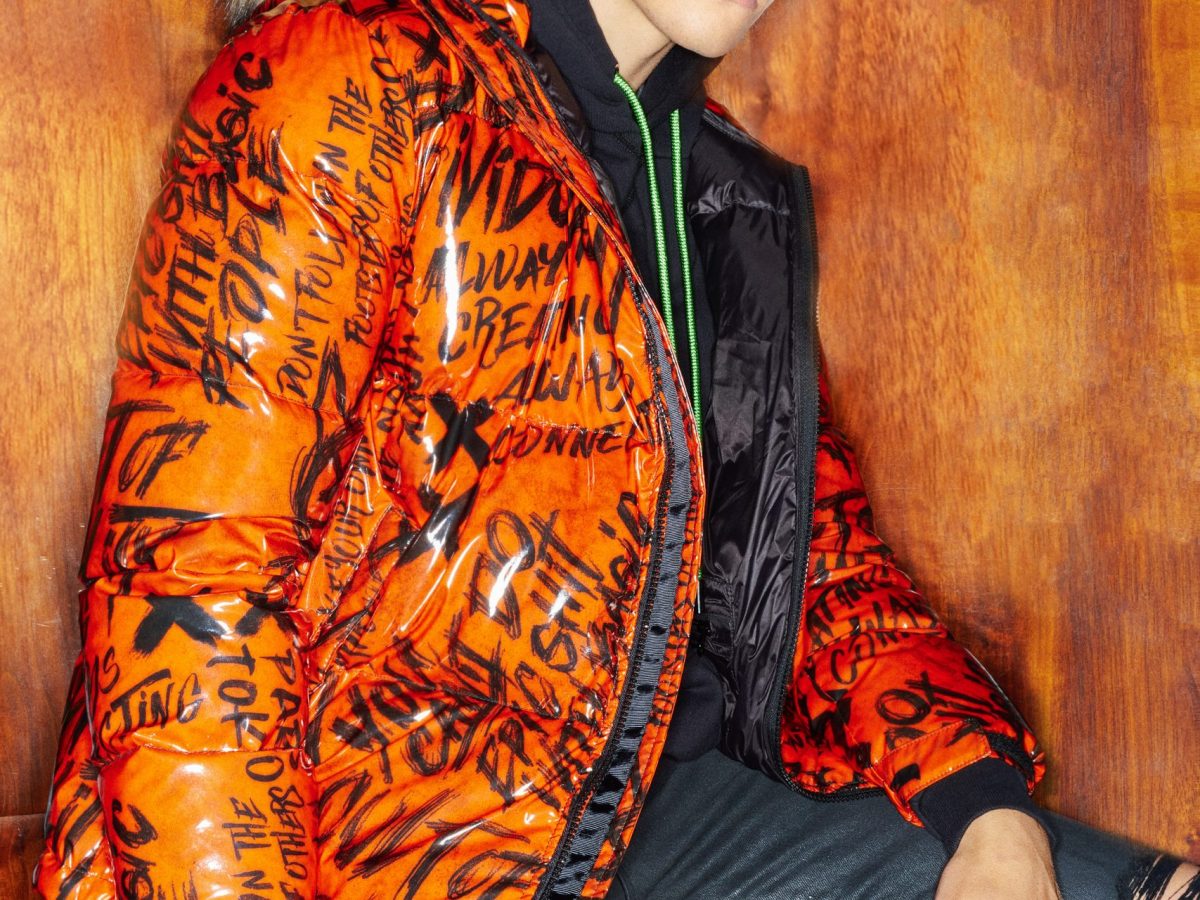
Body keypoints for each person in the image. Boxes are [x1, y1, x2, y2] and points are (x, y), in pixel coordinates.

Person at [33, 0, 1198, 897]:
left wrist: (991, 813)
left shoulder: (720, 191)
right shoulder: (349, 76)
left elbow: (818, 568)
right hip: (372, 854)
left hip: (665, 820)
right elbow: (189, 588)